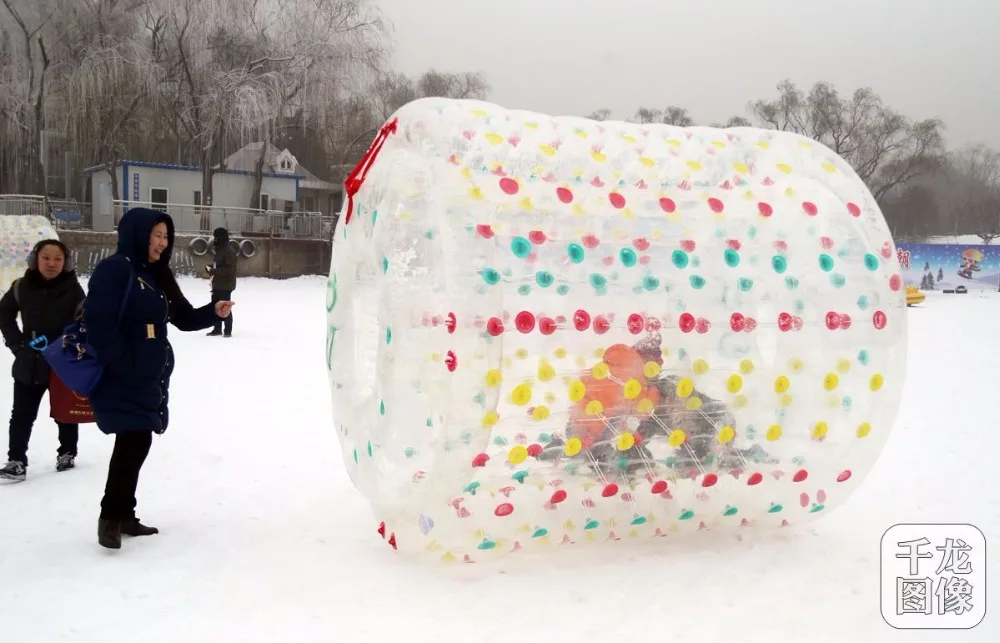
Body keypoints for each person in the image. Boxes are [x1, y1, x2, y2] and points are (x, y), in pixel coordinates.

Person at [84, 207, 234, 550]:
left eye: (166, 237)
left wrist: (212, 312)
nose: (162, 243)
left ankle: (123, 515)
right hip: (124, 372)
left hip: (150, 374)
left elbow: (181, 318)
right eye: (156, 235)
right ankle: (111, 518)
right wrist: (122, 362)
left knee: (138, 441)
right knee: (132, 441)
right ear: (137, 234)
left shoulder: (158, 274)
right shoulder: (115, 270)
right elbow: (99, 325)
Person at [0, 239, 86, 482]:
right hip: (30, 358)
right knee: (22, 413)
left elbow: (85, 323)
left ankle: (67, 452)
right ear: (35, 259)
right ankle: (16, 460)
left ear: (65, 263)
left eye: (58, 259)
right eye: (46, 258)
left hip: (62, 359)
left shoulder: (74, 291)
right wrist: (17, 344)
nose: (52, 264)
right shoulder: (21, 287)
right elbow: (4, 313)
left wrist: (72, 348)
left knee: (64, 409)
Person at [205, 227, 237, 337]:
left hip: (225, 285)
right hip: (217, 283)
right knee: (215, 306)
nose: (215, 239)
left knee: (225, 307)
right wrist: (211, 269)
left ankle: (227, 331)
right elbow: (218, 265)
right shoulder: (219, 250)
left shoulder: (229, 251)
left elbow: (229, 270)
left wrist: (215, 271)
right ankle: (217, 329)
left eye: (216, 236)